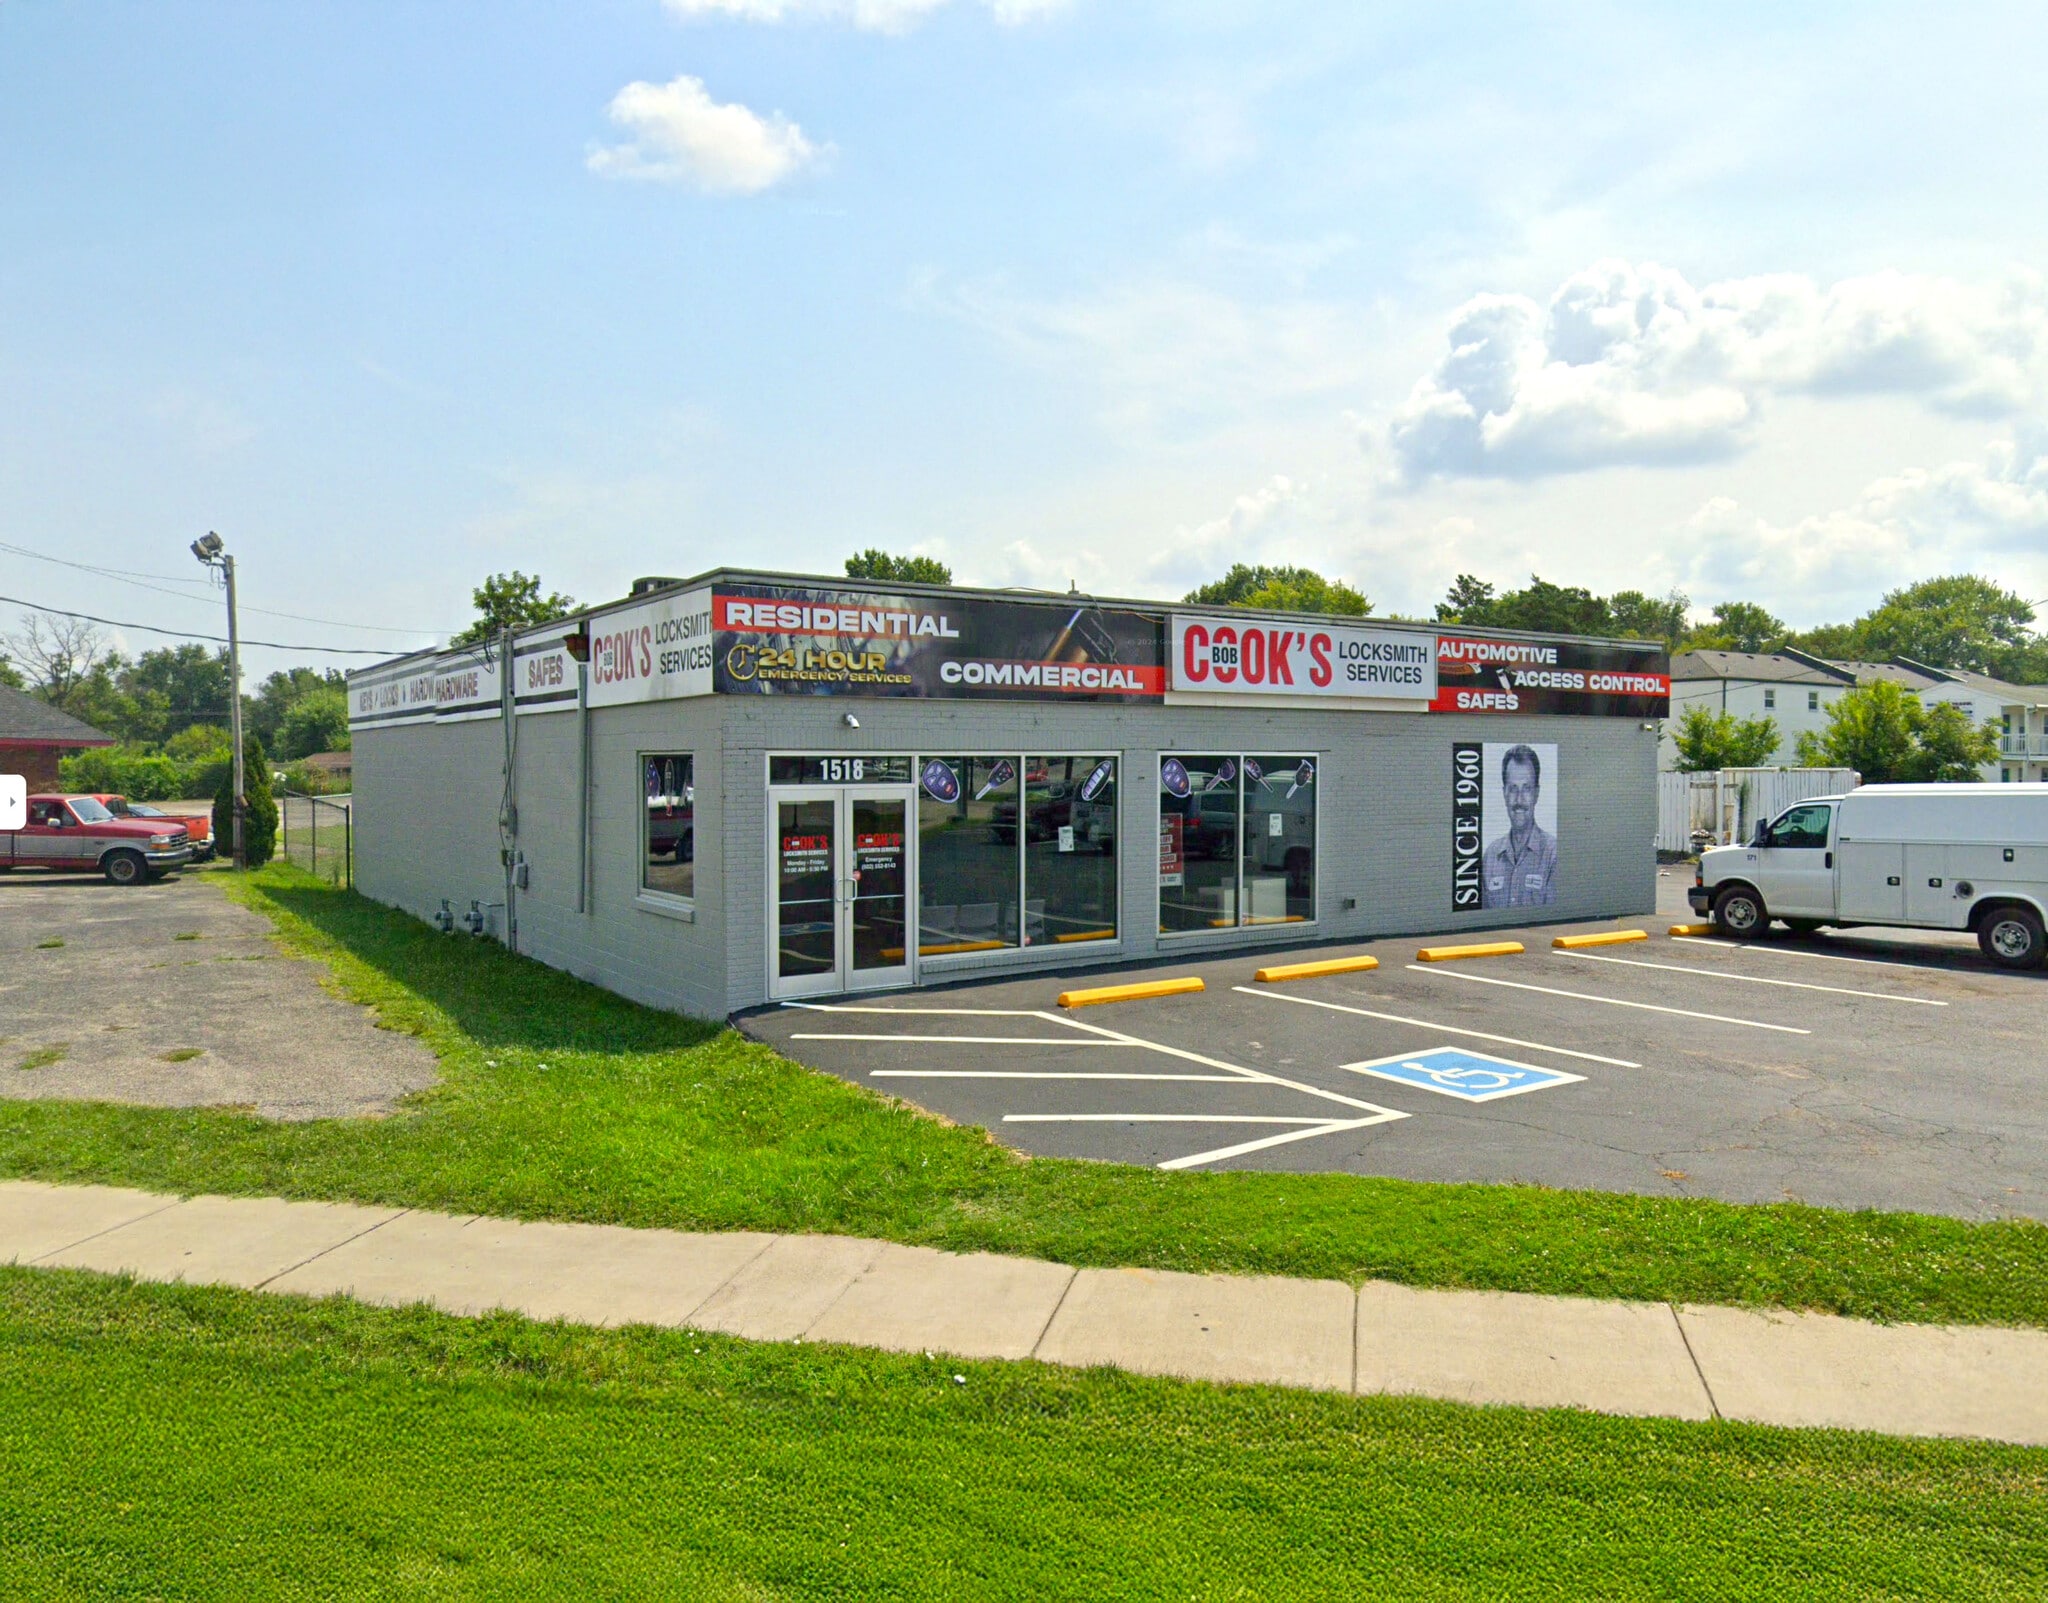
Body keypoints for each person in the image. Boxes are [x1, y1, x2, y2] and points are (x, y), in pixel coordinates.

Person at [1481, 744, 1556, 908]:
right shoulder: (1490, 857)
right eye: (1513, 789)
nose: (1519, 800)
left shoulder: (1553, 855)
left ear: (1536, 793)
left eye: (1526, 789)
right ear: (1504, 794)